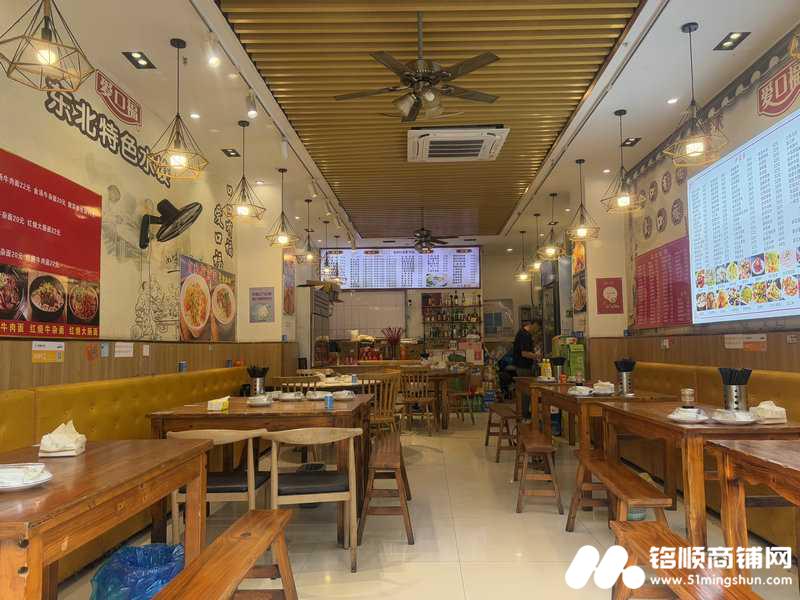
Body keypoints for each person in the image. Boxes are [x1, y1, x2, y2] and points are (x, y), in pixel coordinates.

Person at [512, 320, 541, 418]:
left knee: (523, 391)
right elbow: (524, 353)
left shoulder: (522, 333)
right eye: (538, 328)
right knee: (526, 392)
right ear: (533, 324)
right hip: (523, 367)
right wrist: (537, 356)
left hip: (521, 366)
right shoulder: (525, 335)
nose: (537, 331)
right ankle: (524, 414)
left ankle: (522, 413)